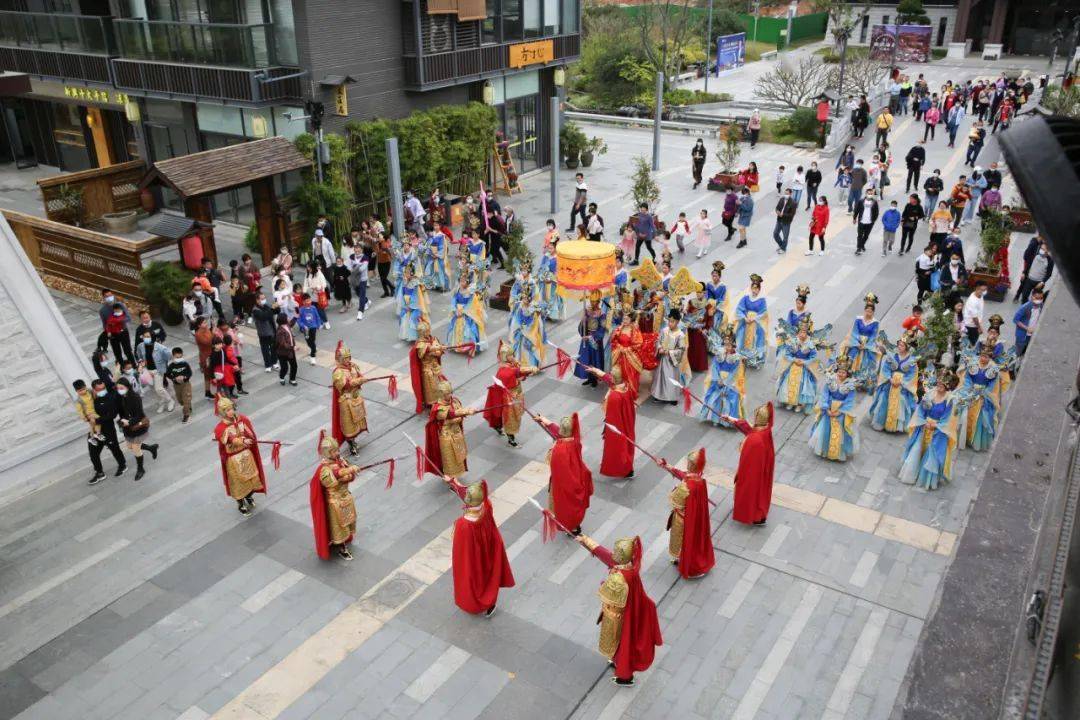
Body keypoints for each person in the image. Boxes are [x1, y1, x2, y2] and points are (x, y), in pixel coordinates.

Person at [572, 534, 662, 687]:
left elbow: (607, 594)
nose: (613, 556)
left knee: (624, 642)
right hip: (629, 609)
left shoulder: (619, 578)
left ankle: (625, 677)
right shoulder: (629, 566)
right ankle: (617, 661)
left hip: (621, 614)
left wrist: (603, 583)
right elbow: (606, 555)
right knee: (620, 642)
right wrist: (585, 540)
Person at [443, 477, 514, 616]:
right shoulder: (487, 507)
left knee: (474, 578)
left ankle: (476, 602)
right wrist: (453, 482)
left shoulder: (464, 524)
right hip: (489, 548)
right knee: (488, 575)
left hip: (473, 555)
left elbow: (461, 550)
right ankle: (490, 602)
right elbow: (468, 495)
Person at [657, 448, 714, 579]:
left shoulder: (686, 486)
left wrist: (676, 489)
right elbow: (684, 475)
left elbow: (674, 500)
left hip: (683, 517)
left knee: (681, 539)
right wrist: (666, 466)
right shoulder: (699, 480)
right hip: (694, 516)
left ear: (690, 465)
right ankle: (684, 558)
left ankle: (686, 562)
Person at [898, 369, 960, 490]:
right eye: (938, 384)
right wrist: (923, 421)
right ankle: (912, 473)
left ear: (947, 386)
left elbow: (949, 419)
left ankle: (926, 478)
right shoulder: (930, 394)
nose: (939, 386)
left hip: (937, 432)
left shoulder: (950, 400)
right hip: (924, 427)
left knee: (931, 454)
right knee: (916, 449)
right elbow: (920, 410)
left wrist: (936, 425)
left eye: (942, 385)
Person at [536, 413, 593, 535]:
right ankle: (575, 524)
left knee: (565, 506)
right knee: (575, 505)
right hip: (577, 477)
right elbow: (560, 434)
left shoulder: (559, 450)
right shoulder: (576, 441)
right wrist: (545, 421)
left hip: (564, 483)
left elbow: (558, 438)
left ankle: (571, 527)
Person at [213, 394, 267, 515]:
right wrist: (242, 440)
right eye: (227, 410)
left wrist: (250, 438)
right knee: (238, 483)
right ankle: (241, 504)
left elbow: (250, 433)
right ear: (222, 412)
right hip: (233, 459)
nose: (231, 411)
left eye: (231, 408)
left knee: (251, 479)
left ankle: (249, 496)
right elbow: (229, 439)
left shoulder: (242, 419)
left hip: (247, 455)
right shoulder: (220, 428)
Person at [309, 431, 358, 561]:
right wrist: (348, 471)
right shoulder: (324, 469)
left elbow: (350, 477)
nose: (338, 453)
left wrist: (349, 473)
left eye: (337, 450)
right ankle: (342, 548)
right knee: (339, 526)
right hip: (335, 501)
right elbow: (333, 478)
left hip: (345, 496)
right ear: (328, 453)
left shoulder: (340, 461)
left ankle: (345, 541)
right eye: (334, 451)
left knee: (347, 522)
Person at [724, 402, 775, 525]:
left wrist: (741, 475)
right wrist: (733, 420)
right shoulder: (765, 430)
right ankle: (759, 515)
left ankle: (753, 515)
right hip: (762, 468)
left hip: (752, 471)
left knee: (751, 492)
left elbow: (751, 434)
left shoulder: (755, 440)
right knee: (760, 492)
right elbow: (751, 429)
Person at [484, 342, 538, 447]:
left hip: (517, 393)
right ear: (505, 357)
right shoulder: (503, 371)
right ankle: (511, 440)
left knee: (514, 416)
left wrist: (529, 371)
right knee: (511, 418)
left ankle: (498, 427)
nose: (513, 357)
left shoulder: (512, 364)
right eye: (511, 355)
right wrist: (530, 369)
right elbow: (516, 372)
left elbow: (519, 372)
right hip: (509, 398)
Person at [808, 359, 860, 462]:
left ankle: (837, 452)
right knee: (826, 430)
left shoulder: (850, 385)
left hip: (841, 412)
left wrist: (840, 411)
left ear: (847, 373)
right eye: (839, 372)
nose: (841, 374)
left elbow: (850, 400)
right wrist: (826, 407)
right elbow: (825, 394)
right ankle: (824, 450)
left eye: (843, 372)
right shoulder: (831, 380)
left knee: (839, 432)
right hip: (829, 409)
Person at [424, 380, 477, 480]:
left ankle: (455, 478)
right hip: (447, 438)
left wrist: (468, 411)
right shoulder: (438, 408)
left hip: (457, 434)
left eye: (450, 392)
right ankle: (452, 481)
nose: (450, 395)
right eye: (448, 393)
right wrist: (466, 411)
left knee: (459, 458)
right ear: (442, 394)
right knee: (450, 461)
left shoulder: (455, 401)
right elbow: (451, 414)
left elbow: (459, 413)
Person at [868, 333, 919, 433]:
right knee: (883, 398)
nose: (899, 347)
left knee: (902, 400)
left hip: (902, 386)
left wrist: (901, 382)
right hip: (889, 383)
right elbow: (886, 368)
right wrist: (889, 378)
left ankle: (895, 425)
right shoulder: (892, 356)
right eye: (898, 344)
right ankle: (880, 422)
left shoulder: (912, 361)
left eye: (902, 345)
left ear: (907, 347)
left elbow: (911, 375)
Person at [699, 326, 746, 426]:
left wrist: (725, 382)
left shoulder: (736, 357)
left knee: (728, 398)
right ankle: (715, 419)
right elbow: (715, 365)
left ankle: (725, 421)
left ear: (733, 344)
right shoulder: (720, 352)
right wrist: (717, 379)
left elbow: (735, 371)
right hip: (718, 378)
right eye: (725, 344)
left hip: (729, 381)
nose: (727, 347)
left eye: (729, 345)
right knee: (715, 397)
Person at [329, 341, 368, 455]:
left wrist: (361, 379)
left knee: (358, 421)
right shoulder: (338, 372)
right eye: (345, 358)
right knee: (349, 425)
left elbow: (360, 376)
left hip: (356, 397)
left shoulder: (353, 367)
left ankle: (354, 441)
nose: (348, 360)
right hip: (346, 400)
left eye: (348, 357)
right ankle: (352, 444)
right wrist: (357, 381)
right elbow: (343, 385)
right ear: (340, 359)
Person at [959, 349, 1002, 451]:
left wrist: (984, 392)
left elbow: (993, 385)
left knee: (980, 418)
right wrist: (970, 389)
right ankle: (964, 439)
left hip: (983, 397)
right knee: (965, 414)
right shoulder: (973, 364)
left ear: (990, 358)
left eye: (986, 357)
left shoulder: (993, 369)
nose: (983, 358)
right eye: (982, 356)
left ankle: (975, 442)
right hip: (971, 393)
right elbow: (968, 378)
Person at [115, 376, 157, 480]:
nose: (119, 390)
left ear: (127, 387)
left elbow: (139, 414)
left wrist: (129, 421)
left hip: (138, 427)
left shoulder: (135, 397)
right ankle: (151, 448)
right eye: (118, 388)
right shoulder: (120, 397)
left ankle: (140, 469)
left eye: (121, 388)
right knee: (130, 446)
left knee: (135, 449)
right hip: (127, 428)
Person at [775, 319, 821, 414]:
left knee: (802, 385)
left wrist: (804, 362)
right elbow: (787, 353)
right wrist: (794, 359)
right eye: (800, 331)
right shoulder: (793, 341)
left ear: (807, 332)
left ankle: (799, 404)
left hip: (804, 367)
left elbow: (813, 357)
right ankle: (789, 401)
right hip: (793, 365)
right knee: (788, 382)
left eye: (804, 332)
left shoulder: (810, 344)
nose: (802, 334)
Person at [599, 366, 636, 478]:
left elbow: (612, 416)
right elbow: (610, 380)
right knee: (628, 446)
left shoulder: (615, 396)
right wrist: (597, 371)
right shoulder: (626, 386)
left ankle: (624, 470)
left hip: (617, 425)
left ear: (614, 379)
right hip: (628, 421)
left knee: (619, 448)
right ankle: (628, 468)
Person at [841, 294, 882, 390]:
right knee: (850, 357)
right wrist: (858, 342)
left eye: (870, 311)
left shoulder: (875, 323)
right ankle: (849, 378)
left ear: (873, 312)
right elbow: (854, 331)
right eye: (867, 310)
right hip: (857, 342)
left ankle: (864, 382)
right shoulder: (858, 319)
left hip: (868, 344)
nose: (868, 313)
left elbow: (873, 335)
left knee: (868, 361)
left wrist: (866, 345)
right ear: (864, 310)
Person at [651, 309, 690, 404]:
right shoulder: (664, 330)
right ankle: (658, 395)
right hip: (662, 359)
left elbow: (681, 350)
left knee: (671, 378)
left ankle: (672, 397)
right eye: (669, 321)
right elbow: (658, 341)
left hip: (671, 360)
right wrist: (659, 348)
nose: (670, 323)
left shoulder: (680, 335)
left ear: (677, 322)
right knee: (660, 377)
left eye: (672, 322)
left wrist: (669, 352)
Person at [409, 320, 446, 413]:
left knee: (440, 387)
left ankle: (440, 402)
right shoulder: (420, 345)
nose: (429, 332)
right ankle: (433, 406)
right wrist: (438, 348)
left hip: (436, 368)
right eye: (426, 331)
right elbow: (428, 349)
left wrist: (439, 351)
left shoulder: (433, 339)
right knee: (432, 390)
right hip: (428, 371)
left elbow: (438, 352)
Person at [733, 274, 769, 369]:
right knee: (742, 337)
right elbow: (739, 309)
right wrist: (744, 317)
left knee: (755, 339)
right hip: (746, 322)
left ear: (759, 289)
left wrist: (754, 318)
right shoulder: (746, 298)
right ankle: (743, 357)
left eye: (756, 289)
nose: (754, 290)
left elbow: (764, 313)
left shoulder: (762, 300)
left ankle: (753, 360)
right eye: (753, 288)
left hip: (756, 323)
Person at [135, 328, 173, 414]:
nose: (145, 338)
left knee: (159, 388)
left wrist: (163, 364)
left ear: (152, 337)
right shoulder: (140, 346)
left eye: (148, 336)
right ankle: (162, 403)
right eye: (144, 337)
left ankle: (170, 400)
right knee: (153, 389)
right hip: (148, 371)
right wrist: (141, 363)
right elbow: (138, 355)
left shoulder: (160, 347)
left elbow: (169, 356)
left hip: (158, 370)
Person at [447, 273, 488, 353]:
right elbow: (454, 300)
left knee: (468, 330)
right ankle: (457, 346)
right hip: (457, 312)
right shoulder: (457, 289)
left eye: (464, 281)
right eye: (461, 281)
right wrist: (455, 310)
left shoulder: (470, 291)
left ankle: (469, 347)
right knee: (455, 328)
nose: (462, 283)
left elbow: (471, 302)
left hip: (467, 313)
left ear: (467, 282)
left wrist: (464, 311)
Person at [395, 263, 429, 342]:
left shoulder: (415, 284)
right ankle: (406, 335)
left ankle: (417, 336)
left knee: (413, 320)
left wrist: (410, 307)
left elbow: (416, 297)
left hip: (414, 307)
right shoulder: (404, 282)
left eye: (407, 273)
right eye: (405, 272)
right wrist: (404, 305)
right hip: (406, 304)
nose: (406, 274)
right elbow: (402, 294)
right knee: (403, 318)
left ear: (412, 273)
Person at [1016, 238, 1053, 303]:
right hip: (1029, 280)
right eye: (1041, 248)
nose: (1041, 250)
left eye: (1043, 249)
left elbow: (1049, 274)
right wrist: (1024, 273)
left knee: (1036, 299)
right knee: (1024, 295)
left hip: (1038, 282)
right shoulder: (1035, 255)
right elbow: (1028, 264)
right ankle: (1024, 306)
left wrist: (1042, 282)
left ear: (1048, 251)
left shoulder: (1050, 261)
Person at [1013, 287, 1044, 356]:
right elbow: (1015, 320)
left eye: (1041, 298)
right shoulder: (1025, 307)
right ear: (1032, 297)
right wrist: (1027, 328)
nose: (1039, 300)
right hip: (1022, 335)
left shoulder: (1041, 305)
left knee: (1027, 349)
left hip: (1032, 334)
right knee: (1018, 351)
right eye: (1037, 298)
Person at [296, 292, 321, 366]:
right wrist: (303, 326)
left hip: (313, 327)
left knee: (312, 340)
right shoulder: (301, 310)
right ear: (303, 302)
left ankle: (312, 356)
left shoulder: (313, 308)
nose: (309, 302)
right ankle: (313, 348)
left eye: (309, 300)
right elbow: (298, 320)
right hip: (305, 329)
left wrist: (318, 324)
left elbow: (317, 316)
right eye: (307, 301)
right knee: (308, 341)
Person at [852, 188, 879, 256]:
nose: (869, 195)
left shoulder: (875, 202)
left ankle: (862, 245)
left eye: (871, 194)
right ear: (866, 194)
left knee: (866, 236)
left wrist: (873, 220)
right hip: (861, 221)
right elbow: (856, 210)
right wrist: (854, 218)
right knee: (860, 235)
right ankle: (859, 248)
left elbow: (876, 212)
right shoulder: (861, 201)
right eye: (868, 193)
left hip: (870, 222)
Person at [274, 314, 298, 387]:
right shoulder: (280, 331)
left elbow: (291, 324)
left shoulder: (286, 325)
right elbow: (282, 344)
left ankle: (292, 379)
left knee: (294, 366)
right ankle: (282, 377)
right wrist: (292, 347)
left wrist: (295, 317)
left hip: (290, 351)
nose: (288, 318)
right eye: (287, 317)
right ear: (283, 320)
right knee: (285, 368)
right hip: (283, 353)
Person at [772, 188, 797, 254]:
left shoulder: (793, 203)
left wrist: (783, 215)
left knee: (785, 236)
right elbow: (777, 207)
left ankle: (783, 248)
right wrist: (777, 211)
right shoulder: (782, 199)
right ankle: (781, 245)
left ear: (790, 194)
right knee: (775, 234)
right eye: (785, 193)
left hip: (786, 222)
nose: (786, 195)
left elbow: (792, 214)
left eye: (787, 194)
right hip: (779, 220)